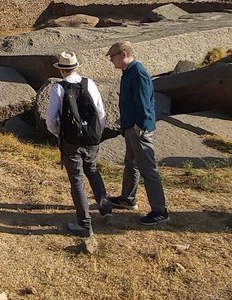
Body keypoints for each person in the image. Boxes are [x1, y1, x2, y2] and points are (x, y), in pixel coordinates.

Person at [43, 51, 111, 237]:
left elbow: (50, 118)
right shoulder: (90, 84)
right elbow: (100, 112)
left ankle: (84, 223)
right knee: (93, 171)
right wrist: (96, 133)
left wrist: (58, 133)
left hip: (70, 140)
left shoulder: (59, 88)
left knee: (77, 180)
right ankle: (106, 209)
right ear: (76, 67)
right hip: (91, 138)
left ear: (62, 70)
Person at [106, 41, 171, 225]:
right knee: (131, 163)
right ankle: (128, 198)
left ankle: (160, 210)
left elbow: (145, 104)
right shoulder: (128, 72)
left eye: (113, 56)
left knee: (148, 170)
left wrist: (139, 127)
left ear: (124, 54)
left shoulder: (138, 73)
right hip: (131, 127)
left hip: (139, 130)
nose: (111, 60)